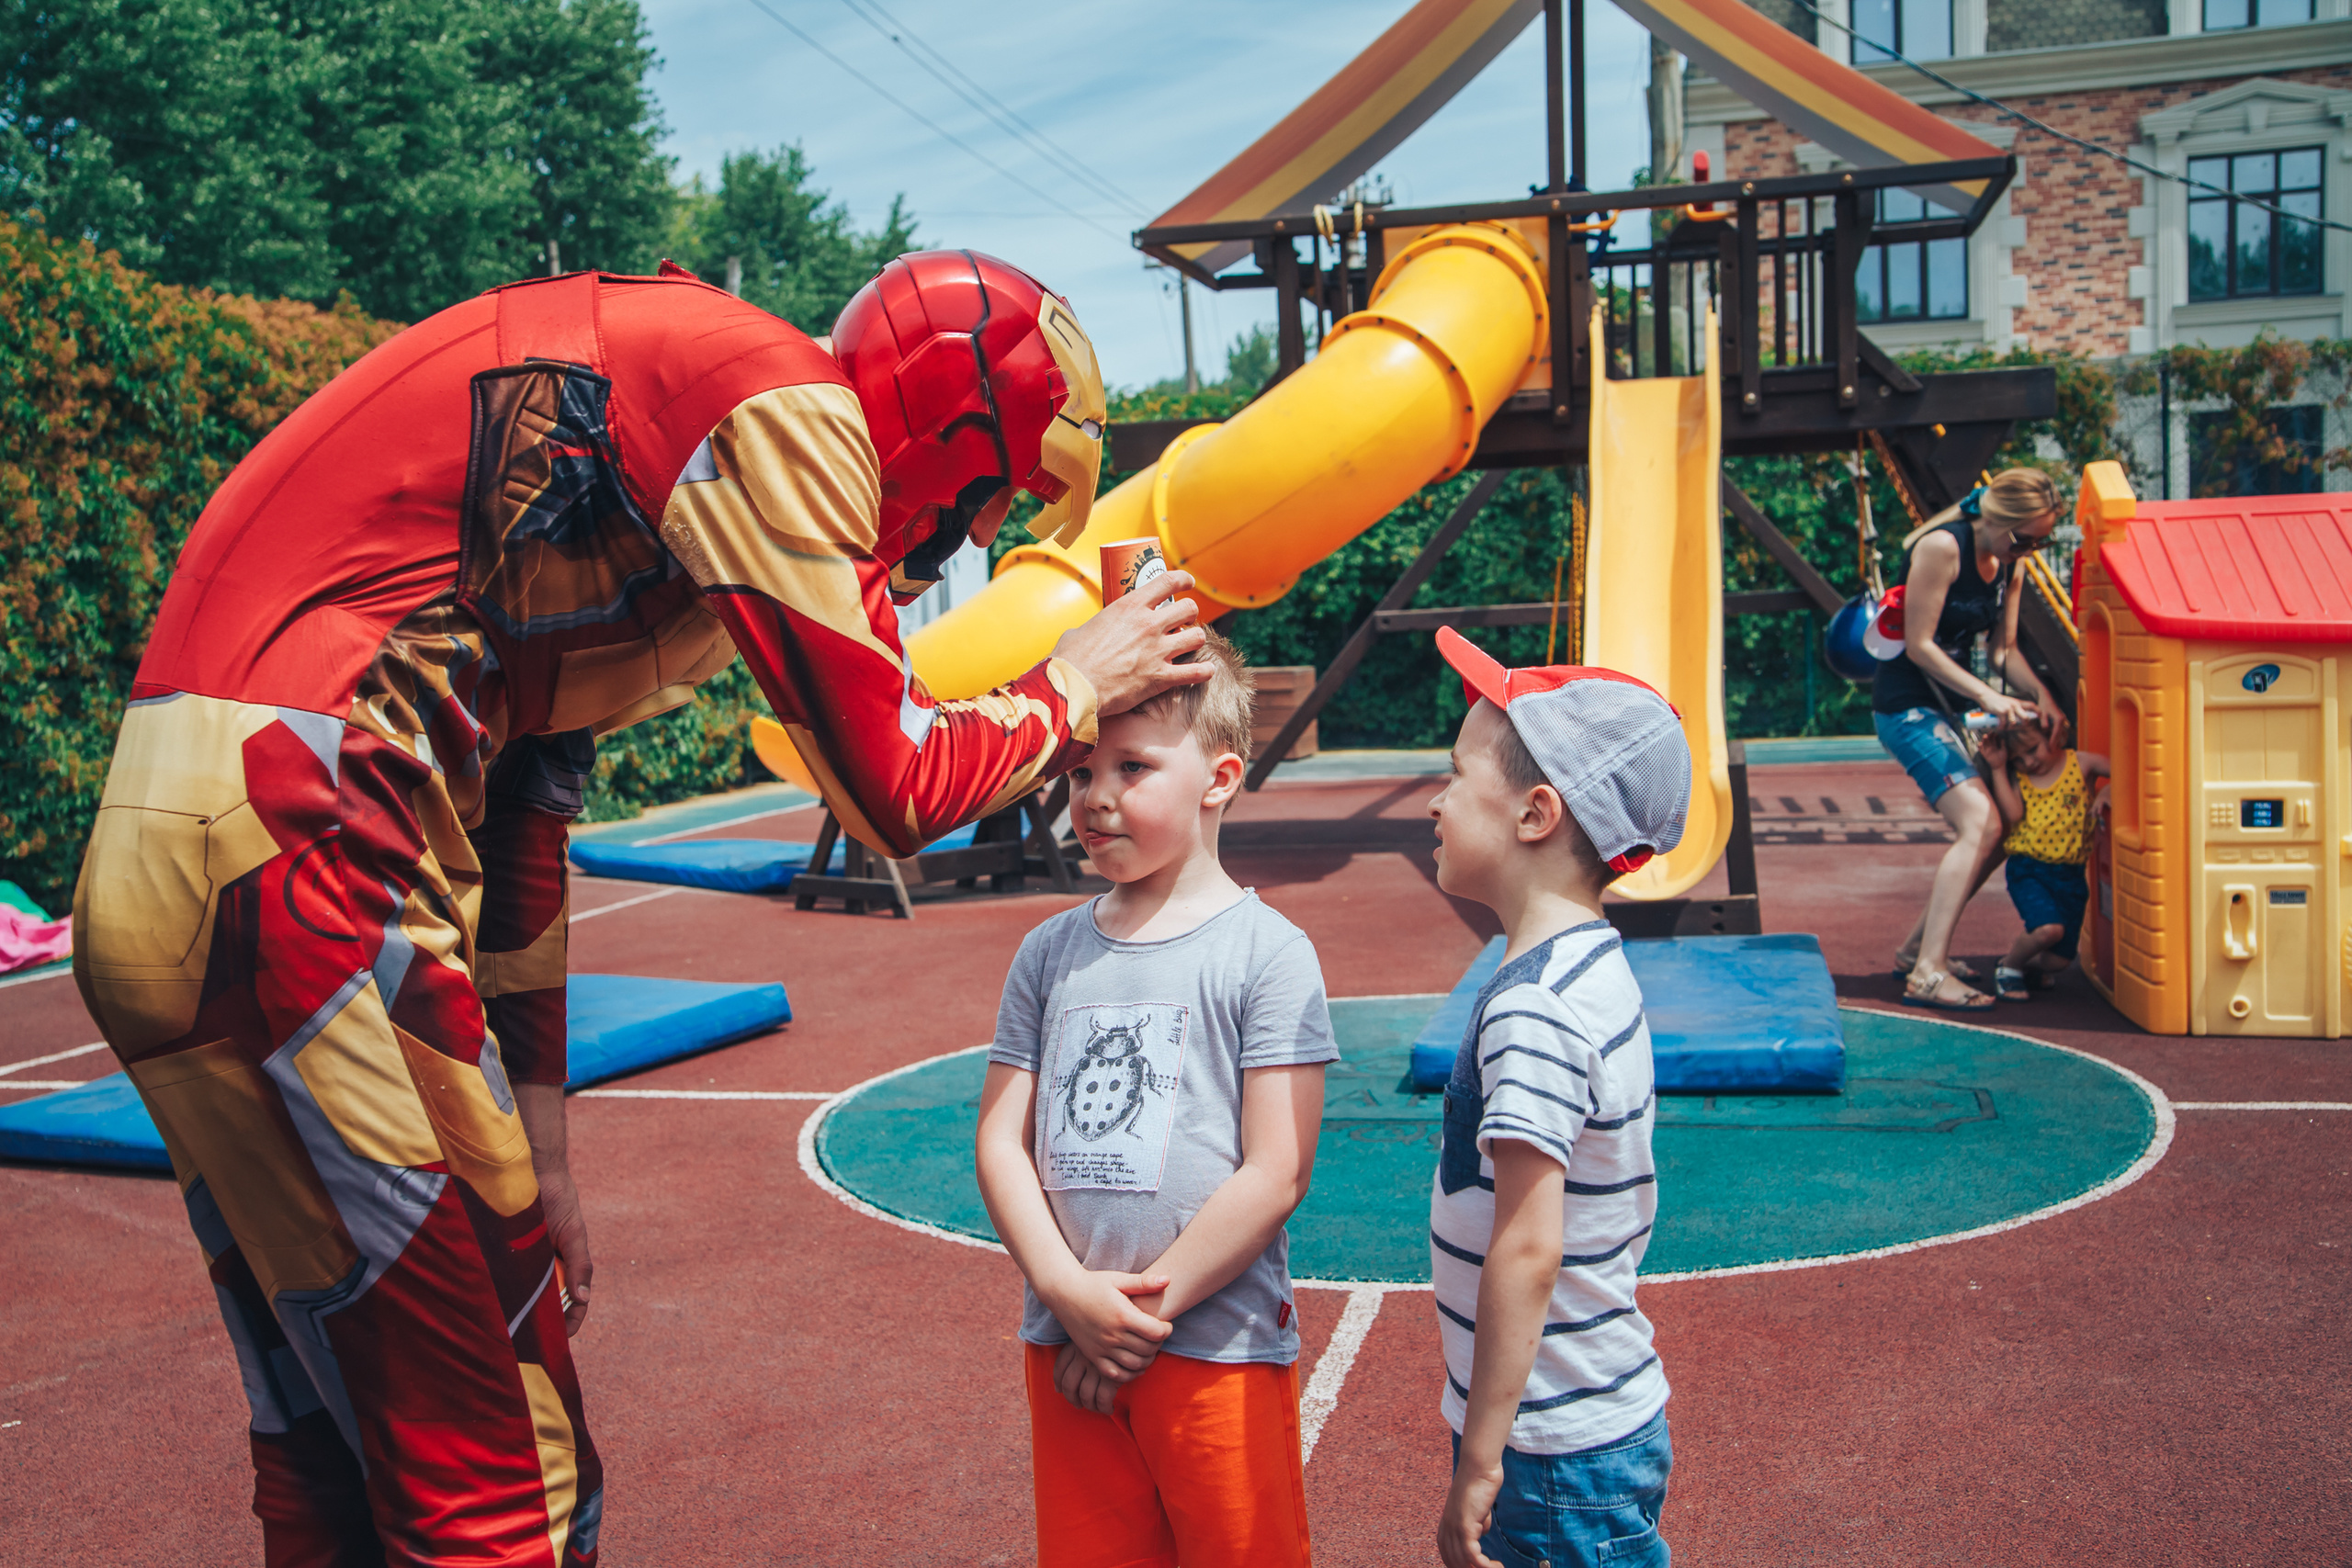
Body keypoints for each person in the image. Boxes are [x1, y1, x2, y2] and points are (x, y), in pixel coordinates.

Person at [70, 252, 1209, 1565]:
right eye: (994, 493)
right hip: (307, 853)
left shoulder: (666, 444)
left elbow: (521, 822)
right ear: (952, 425)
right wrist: (1071, 680)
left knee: (336, 1446)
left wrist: (543, 1150)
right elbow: (892, 786)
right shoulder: (785, 404)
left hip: (185, 866)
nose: (985, 532)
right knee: (515, 1486)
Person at [973, 629, 1335, 1568]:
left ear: (1217, 778)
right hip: (1066, 1346)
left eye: (1129, 767)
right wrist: (1068, 1298)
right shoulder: (1048, 953)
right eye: (1078, 771)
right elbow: (1000, 1142)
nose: (1093, 798)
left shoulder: (1269, 953)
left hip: (1214, 1350)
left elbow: (1277, 1169)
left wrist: (1131, 1321)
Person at [1427, 626, 1685, 1568]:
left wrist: (1483, 1460)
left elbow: (1529, 1248)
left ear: (1535, 814)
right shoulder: (1579, 968)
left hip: (1548, 1445)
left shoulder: (1534, 1006)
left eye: (1456, 776)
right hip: (1575, 1420)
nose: (1435, 800)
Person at [1873, 468, 2063, 1012]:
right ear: (1999, 521)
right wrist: (1992, 698)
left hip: (1951, 705)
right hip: (1907, 706)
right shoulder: (1942, 549)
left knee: (2004, 826)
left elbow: (2004, 652)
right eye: (2027, 538)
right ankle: (1928, 975)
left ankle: (1915, 951)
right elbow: (1919, 645)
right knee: (1979, 821)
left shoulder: (2009, 564)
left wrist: (2040, 695)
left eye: (2041, 541)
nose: (2031, 550)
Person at [1979, 717, 2108, 1001]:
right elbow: (2012, 815)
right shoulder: (2021, 778)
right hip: (2029, 868)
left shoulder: (2082, 763)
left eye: (2033, 749)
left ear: (2053, 735)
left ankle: (2020, 963)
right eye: (2019, 759)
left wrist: (2108, 791)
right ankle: (2009, 969)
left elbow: (2127, 769)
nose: (2029, 761)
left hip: (2071, 874)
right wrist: (2000, 768)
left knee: (2058, 962)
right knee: (2047, 930)